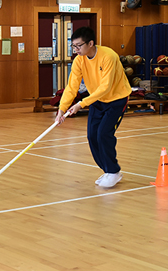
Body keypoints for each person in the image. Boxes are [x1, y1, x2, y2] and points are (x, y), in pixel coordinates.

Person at [55, 27, 131, 188]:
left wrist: (80, 104)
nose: (75, 50)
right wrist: (61, 109)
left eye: (78, 46)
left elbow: (106, 87)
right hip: (97, 101)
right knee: (92, 136)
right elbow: (71, 87)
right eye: (73, 46)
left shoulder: (108, 56)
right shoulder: (79, 60)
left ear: (90, 43)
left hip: (116, 99)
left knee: (104, 134)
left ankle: (113, 171)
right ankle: (107, 170)